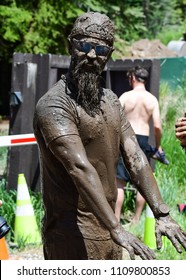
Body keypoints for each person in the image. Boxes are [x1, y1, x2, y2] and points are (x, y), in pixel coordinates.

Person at [33, 11, 186, 260]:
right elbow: (78, 167)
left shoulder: (112, 101)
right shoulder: (54, 106)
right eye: (84, 46)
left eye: (101, 49)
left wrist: (162, 213)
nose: (92, 55)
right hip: (71, 236)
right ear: (71, 46)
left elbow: (135, 156)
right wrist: (116, 227)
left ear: (109, 55)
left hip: (110, 233)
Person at [115, 66, 169, 224]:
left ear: (133, 78)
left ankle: (116, 219)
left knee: (119, 182)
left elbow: (113, 118)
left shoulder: (126, 96)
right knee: (143, 181)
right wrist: (158, 146)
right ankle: (136, 220)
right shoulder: (152, 99)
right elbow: (158, 127)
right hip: (143, 141)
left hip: (125, 139)